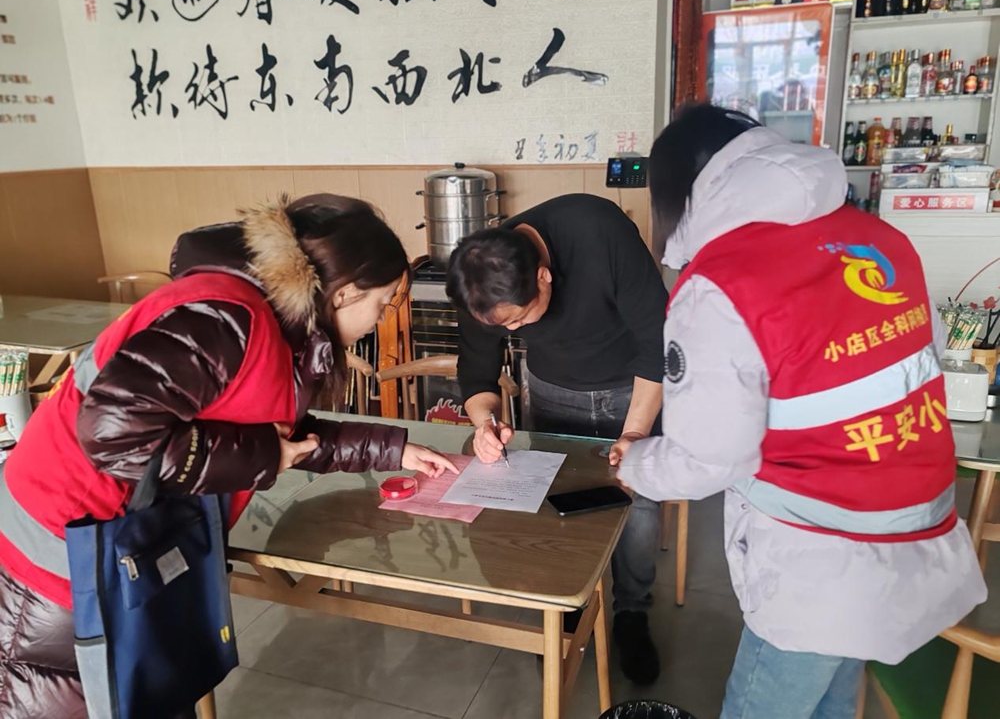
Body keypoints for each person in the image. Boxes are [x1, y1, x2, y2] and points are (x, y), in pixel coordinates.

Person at [0, 194, 457, 719]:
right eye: (383, 303)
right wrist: (261, 456)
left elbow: (283, 437)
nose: (379, 320)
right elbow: (112, 433)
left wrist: (395, 449)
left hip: (122, 544)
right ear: (346, 292)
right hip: (61, 550)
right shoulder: (226, 315)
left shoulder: (276, 324)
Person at [616, 105, 987, 718]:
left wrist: (634, 464)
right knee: (835, 693)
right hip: (915, 525)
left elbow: (711, 460)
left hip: (821, 552)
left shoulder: (721, 282)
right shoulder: (883, 238)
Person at [446, 193, 667, 685]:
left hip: (631, 388)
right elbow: (476, 370)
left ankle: (632, 613)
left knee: (638, 504)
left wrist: (635, 431)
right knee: (560, 500)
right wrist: (484, 423)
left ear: (543, 277)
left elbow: (659, 342)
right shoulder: (480, 280)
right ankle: (570, 606)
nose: (514, 329)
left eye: (519, 319)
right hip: (552, 392)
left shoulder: (599, 230)